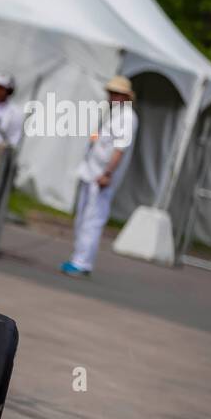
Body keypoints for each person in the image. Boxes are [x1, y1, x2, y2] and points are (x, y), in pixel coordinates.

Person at [61, 75, 139, 277]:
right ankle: (78, 257)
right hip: (91, 171)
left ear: (125, 96)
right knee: (83, 217)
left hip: (102, 176)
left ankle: (83, 262)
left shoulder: (127, 117)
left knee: (93, 219)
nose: (112, 96)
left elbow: (120, 149)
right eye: (111, 93)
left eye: (117, 93)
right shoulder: (114, 114)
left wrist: (107, 173)